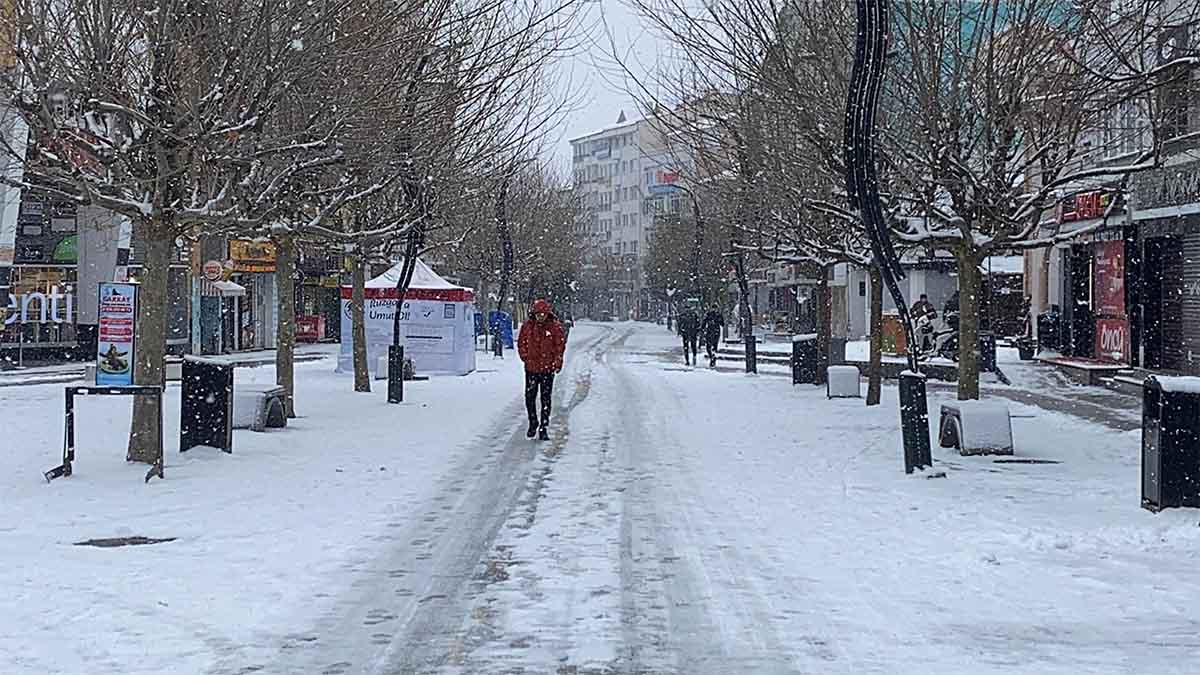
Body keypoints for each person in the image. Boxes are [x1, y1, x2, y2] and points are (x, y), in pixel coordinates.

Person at [517, 299, 567, 441]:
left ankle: (543, 427)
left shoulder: (554, 327)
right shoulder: (528, 326)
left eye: (543, 314)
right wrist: (525, 357)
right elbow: (521, 343)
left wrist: (557, 362)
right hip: (531, 368)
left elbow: (560, 346)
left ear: (547, 314)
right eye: (538, 314)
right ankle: (533, 422)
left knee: (546, 399)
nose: (541, 317)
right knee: (529, 398)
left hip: (547, 369)